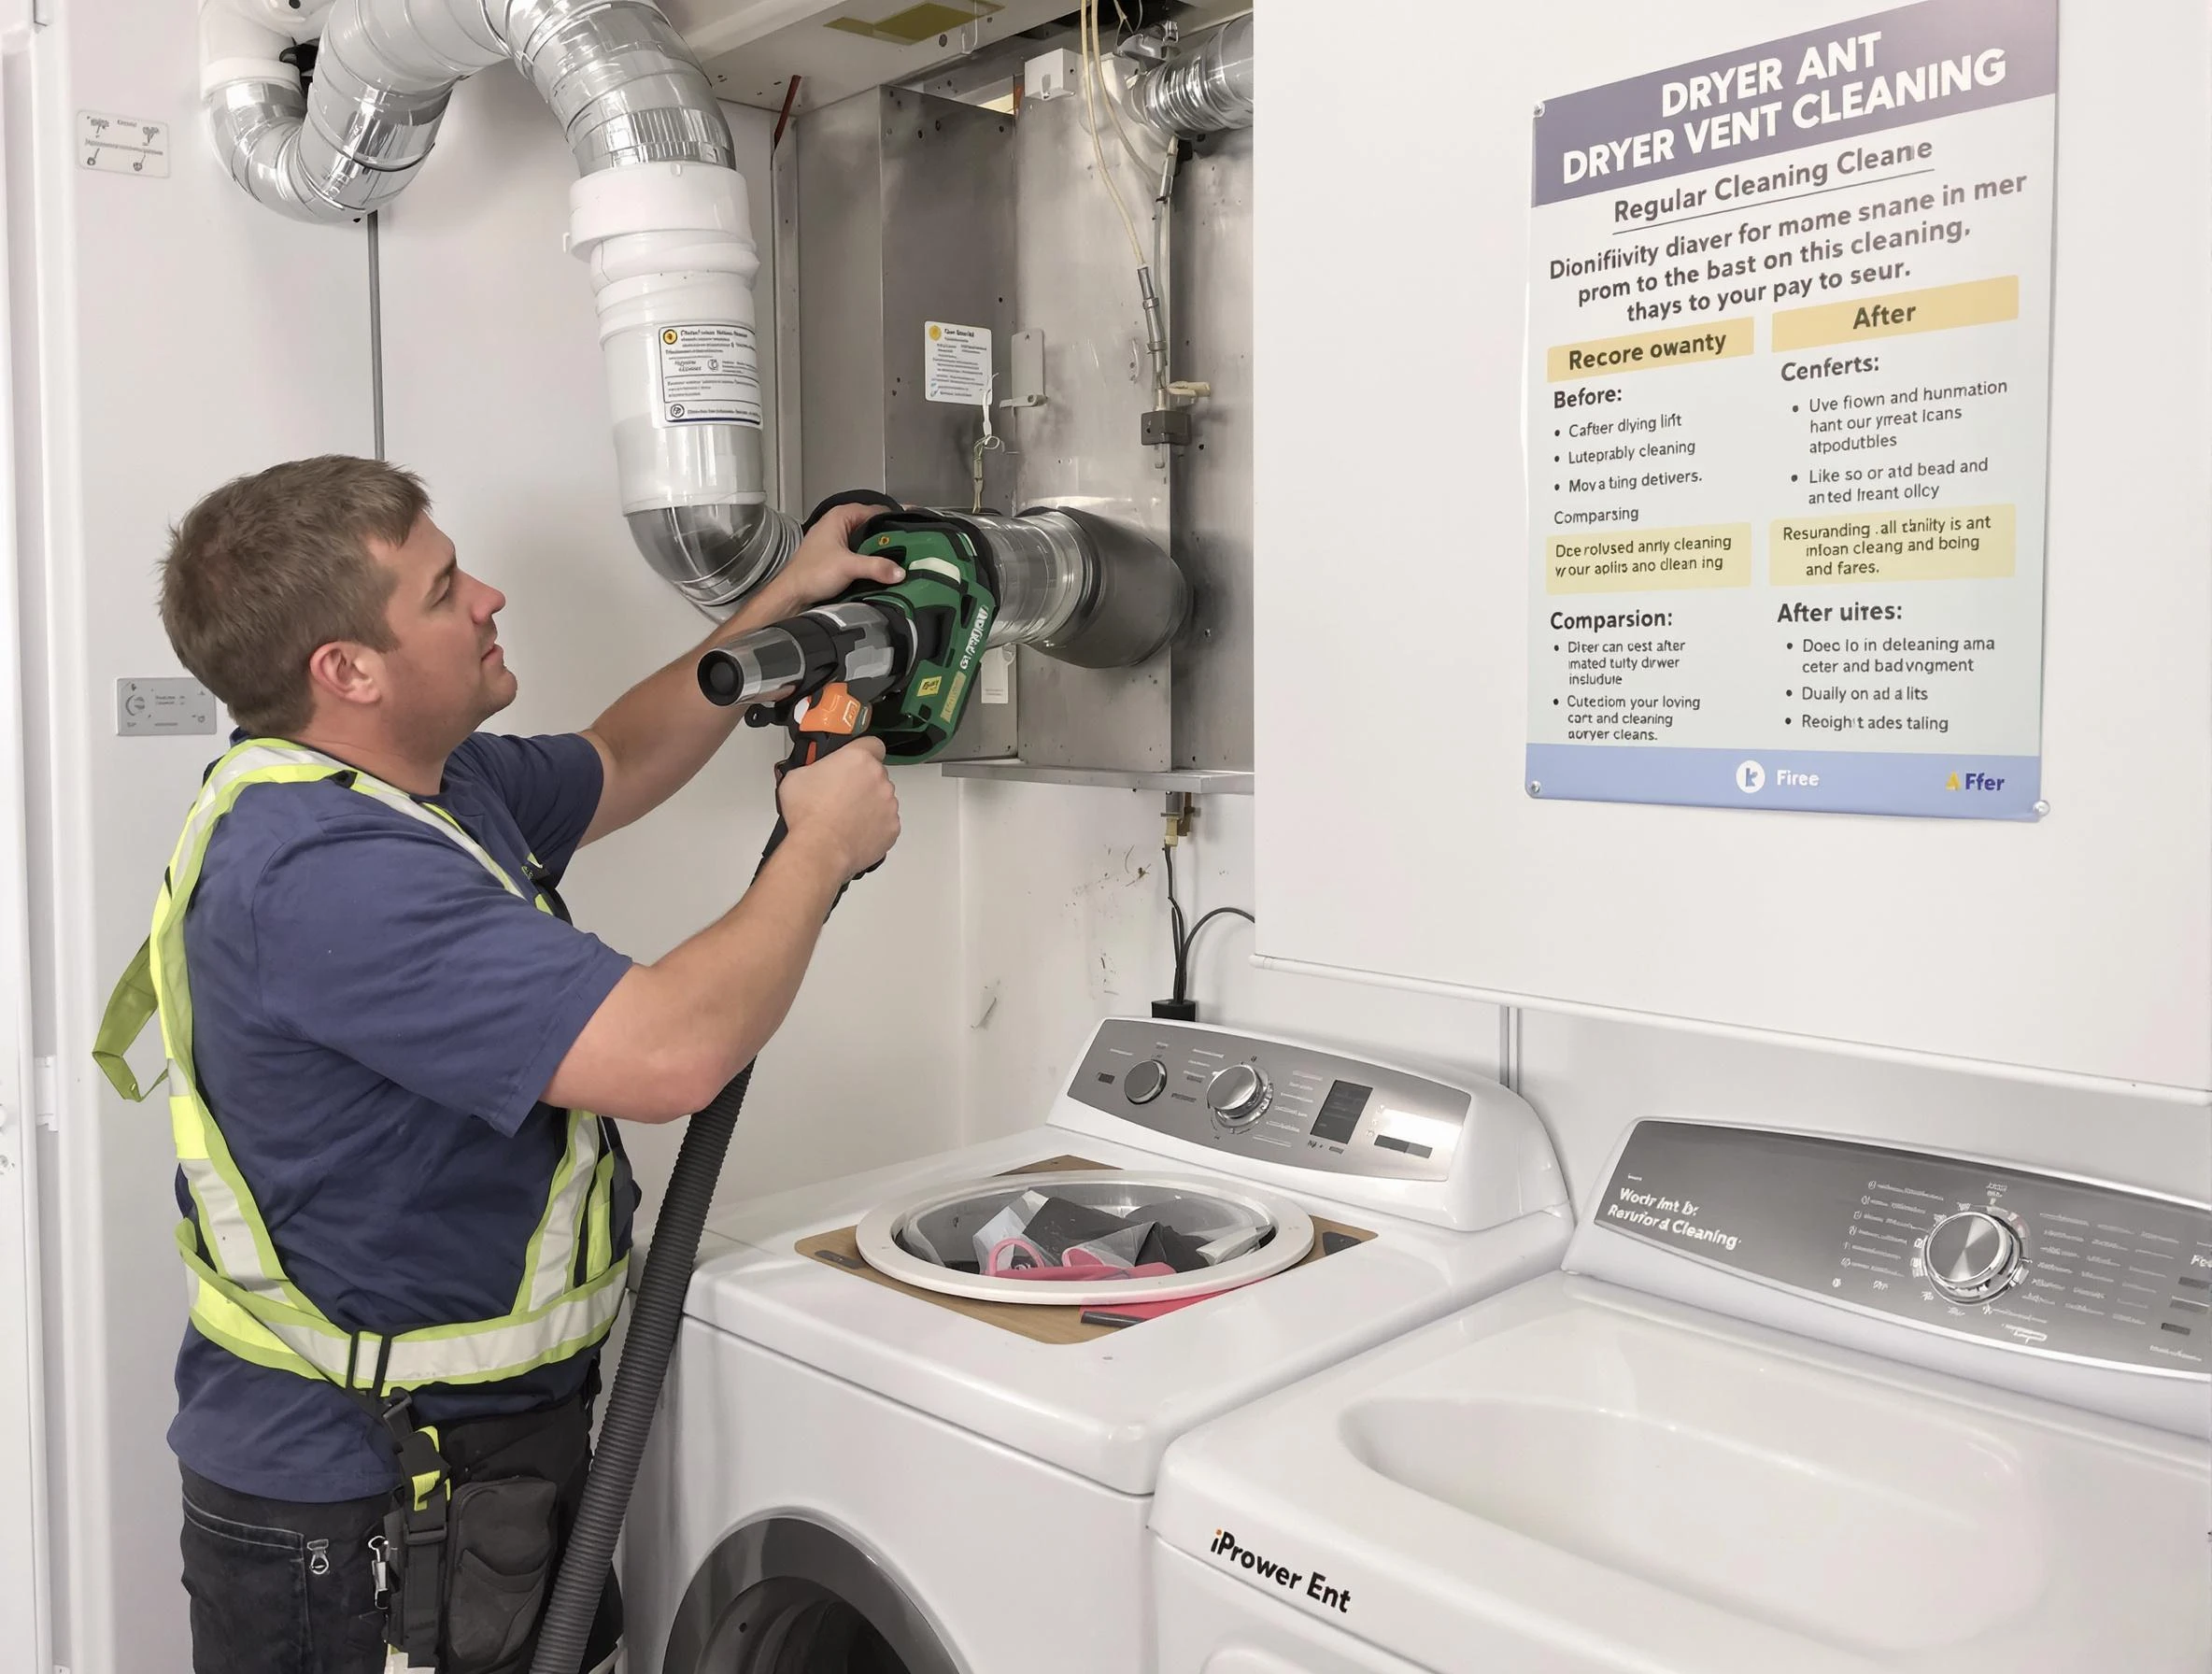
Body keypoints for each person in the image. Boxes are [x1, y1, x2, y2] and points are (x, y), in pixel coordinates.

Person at [97, 455, 903, 1674]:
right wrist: (820, 850)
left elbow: (623, 755)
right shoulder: (328, 876)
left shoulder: (427, 785)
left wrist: (787, 593)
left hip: (483, 1465)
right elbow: (675, 1053)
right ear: (347, 671)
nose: (489, 596)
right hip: (362, 1511)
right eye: (440, 589)